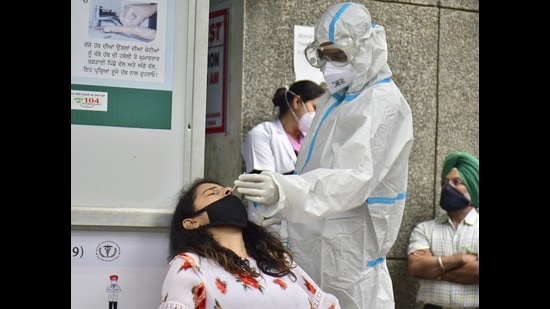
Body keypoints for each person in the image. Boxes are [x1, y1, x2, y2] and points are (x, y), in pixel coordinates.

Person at [233, 2, 414, 308]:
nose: (329, 66)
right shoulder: (335, 100)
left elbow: (353, 178)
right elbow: (313, 171)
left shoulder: (383, 103)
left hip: (350, 268)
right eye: (324, 56)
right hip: (310, 257)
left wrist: (284, 191)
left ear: (366, 48)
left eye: (338, 55)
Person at [157, 178, 341, 309]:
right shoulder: (191, 265)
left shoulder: (277, 259)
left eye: (225, 189)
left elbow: (326, 304)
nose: (227, 191)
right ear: (192, 222)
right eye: (213, 193)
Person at [241, 80, 325, 245]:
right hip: (270, 231)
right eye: (315, 108)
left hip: (306, 232)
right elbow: (263, 183)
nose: (318, 115)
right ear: (297, 102)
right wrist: (306, 182)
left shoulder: (311, 140)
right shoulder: (262, 134)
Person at [407, 151, 479, 309]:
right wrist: (461, 259)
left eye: (457, 182)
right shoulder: (425, 229)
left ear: (473, 188)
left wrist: (434, 270)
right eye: (444, 183)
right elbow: (415, 267)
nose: (448, 188)